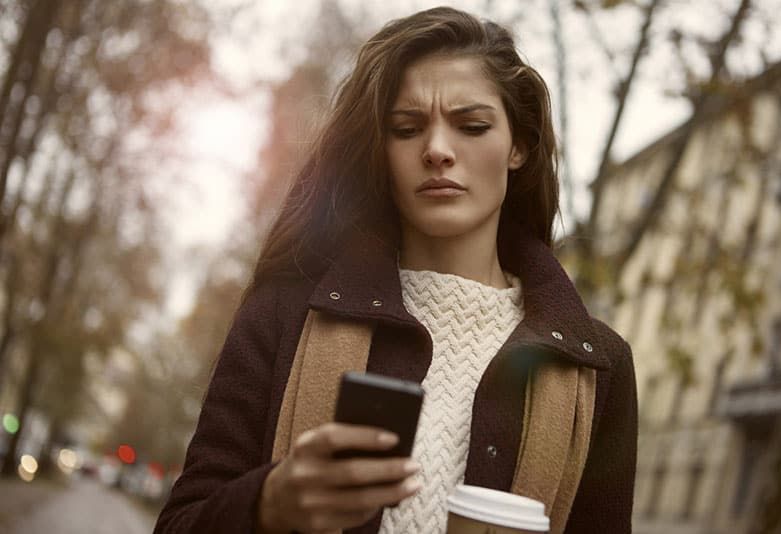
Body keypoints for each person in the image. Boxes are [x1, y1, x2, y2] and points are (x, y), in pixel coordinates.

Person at [154, 6, 637, 534]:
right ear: (380, 152)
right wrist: (269, 502)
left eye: (471, 125)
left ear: (518, 146)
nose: (436, 150)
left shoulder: (598, 369)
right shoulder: (284, 315)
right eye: (406, 129)